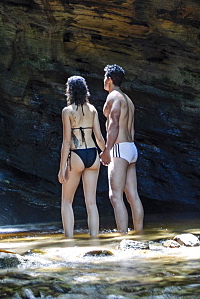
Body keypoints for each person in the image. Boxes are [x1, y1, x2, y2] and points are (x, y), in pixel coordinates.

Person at [58, 75, 105, 239]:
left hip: (77, 155)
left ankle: (69, 240)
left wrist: (62, 168)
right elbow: (99, 137)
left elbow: (66, 141)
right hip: (93, 154)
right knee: (91, 203)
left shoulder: (67, 111)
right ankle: (95, 240)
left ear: (69, 91)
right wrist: (105, 154)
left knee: (66, 201)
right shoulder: (92, 109)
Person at [100, 63, 144, 233]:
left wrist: (107, 150)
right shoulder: (129, 100)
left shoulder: (113, 97)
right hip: (131, 148)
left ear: (109, 79)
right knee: (132, 195)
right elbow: (131, 128)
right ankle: (139, 234)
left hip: (119, 148)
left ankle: (123, 237)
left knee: (115, 196)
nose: (104, 81)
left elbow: (113, 123)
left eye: (105, 78)